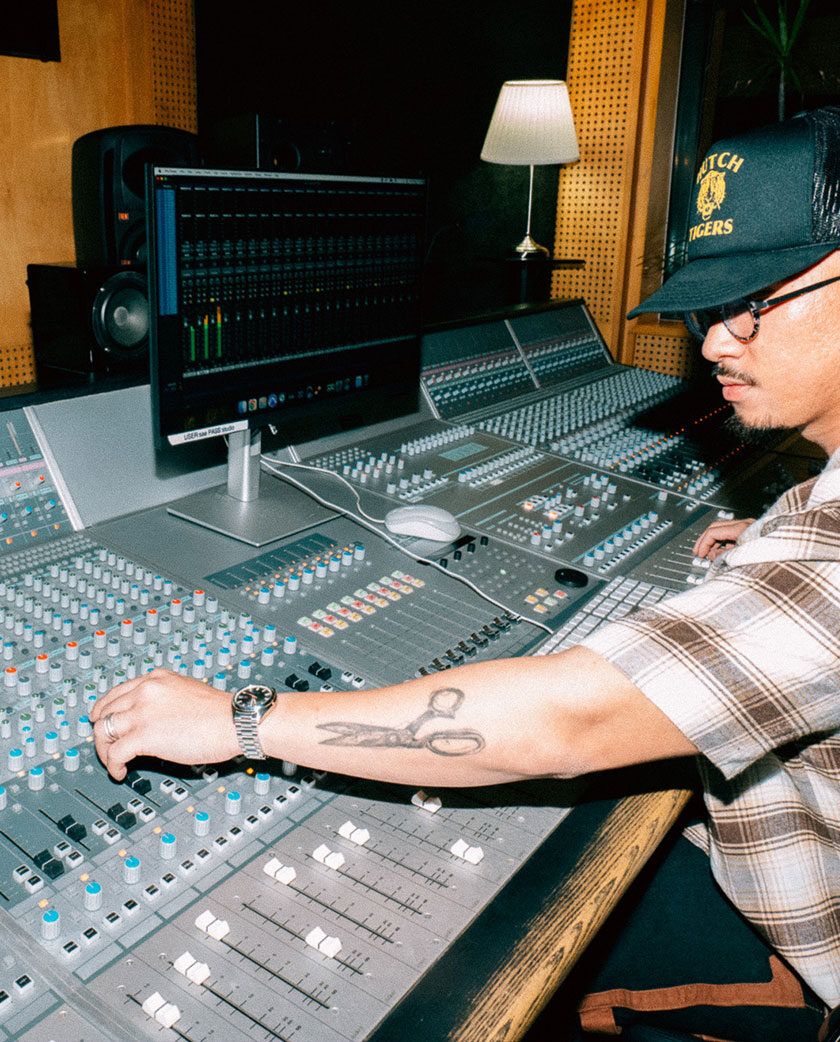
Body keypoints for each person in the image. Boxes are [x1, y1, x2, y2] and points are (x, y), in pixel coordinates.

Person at [91, 108, 840, 1041]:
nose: (715, 342)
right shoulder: (816, 519)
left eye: (754, 301)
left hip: (801, 953)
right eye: (704, 306)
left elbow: (568, 720)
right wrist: (776, 535)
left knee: (452, 967)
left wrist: (239, 720)